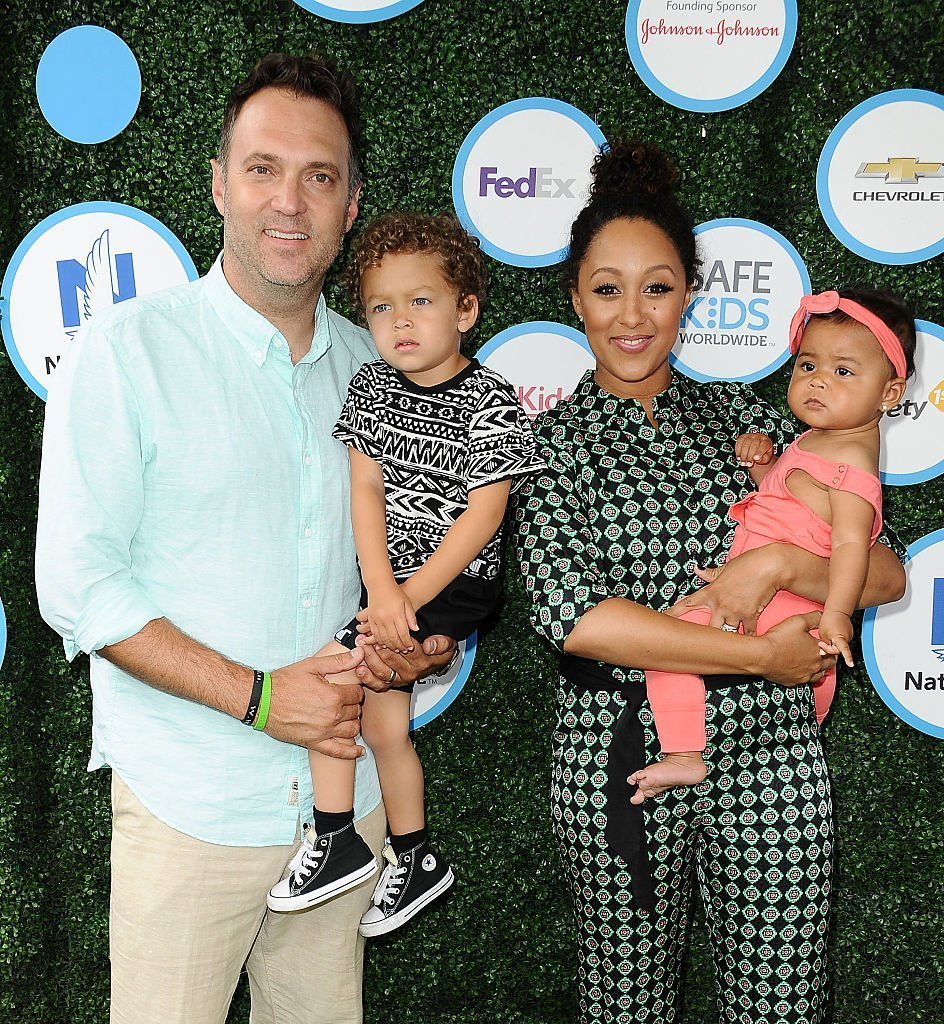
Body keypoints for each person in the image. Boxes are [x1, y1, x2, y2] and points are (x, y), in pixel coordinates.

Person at [34, 53, 455, 1024]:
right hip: (191, 807)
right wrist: (265, 699)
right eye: (263, 168)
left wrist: (423, 639)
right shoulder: (126, 352)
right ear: (219, 182)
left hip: (339, 816)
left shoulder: (383, 374)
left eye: (319, 176)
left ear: (352, 205)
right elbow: (78, 586)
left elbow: (416, 578)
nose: (290, 202)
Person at [514, 140, 906, 1024]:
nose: (632, 315)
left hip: (774, 753)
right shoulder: (552, 446)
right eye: (606, 288)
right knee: (627, 1007)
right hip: (620, 751)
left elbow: (880, 571)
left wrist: (773, 565)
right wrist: (759, 657)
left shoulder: (751, 418)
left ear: (690, 290)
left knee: (781, 1004)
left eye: (657, 286)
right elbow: (571, 615)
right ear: (574, 297)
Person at [266, 211, 545, 934]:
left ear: (466, 310)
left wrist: (410, 597)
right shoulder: (372, 391)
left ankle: (335, 838)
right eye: (382, 306)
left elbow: (484, 518)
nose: (400, 320)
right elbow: (365, 492)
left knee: (330, 679)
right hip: (390, 584)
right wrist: (383, 589)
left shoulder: (491, 400)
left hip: (456, 585)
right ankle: (414, 855)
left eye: (420, 300)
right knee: (384, 725)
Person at [634, 287, 914, 802]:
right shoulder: (816, 442)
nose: (819, 381)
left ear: (890, 394)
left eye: (845, 372)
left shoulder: (852, 469)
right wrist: (764, 466)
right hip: (770, 605)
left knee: (666, 645)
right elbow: (793, 511)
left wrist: (836, 614)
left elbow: (852, 547)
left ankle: (683, 754)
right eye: (808, 364)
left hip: (787, 611)